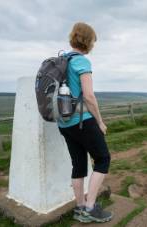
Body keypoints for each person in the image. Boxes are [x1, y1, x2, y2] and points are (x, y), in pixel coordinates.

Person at [57, 22, 112, 223]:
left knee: (78, 164)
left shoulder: (62, 60)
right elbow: (88, 96)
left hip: (64, 123)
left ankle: (80, 209)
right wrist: (100, 121)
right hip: (82, 120)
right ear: (88, 41)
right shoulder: (81, 62)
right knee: (103, 159)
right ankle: (90, 207)